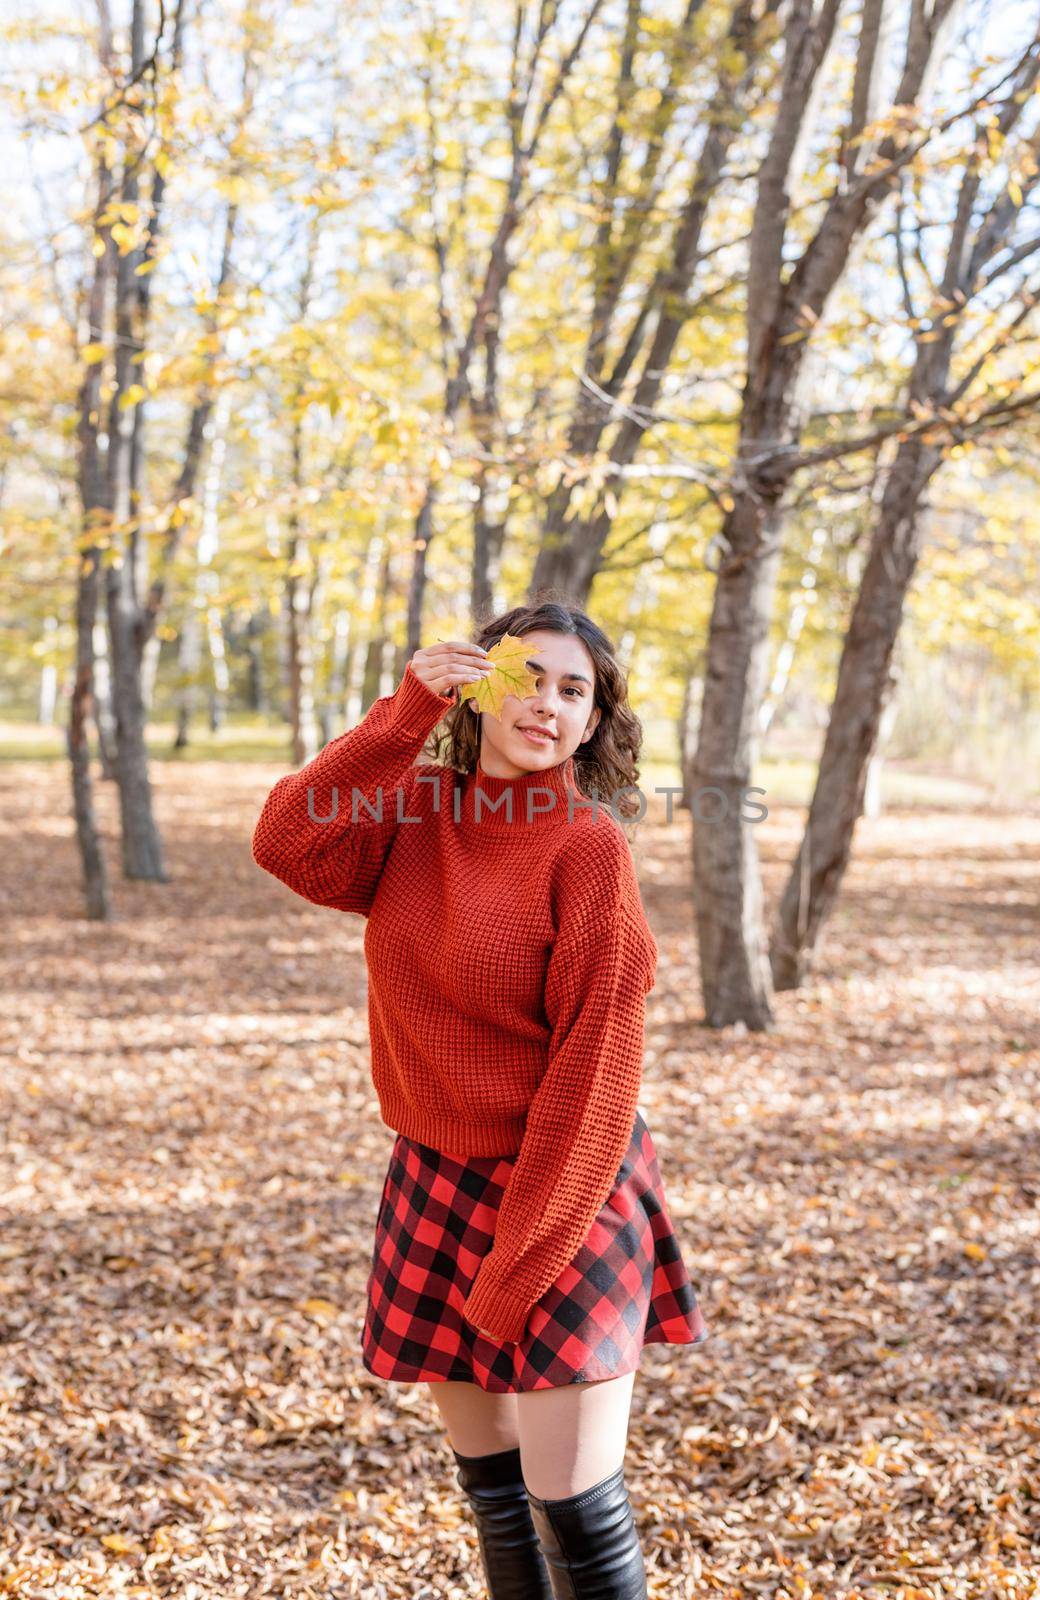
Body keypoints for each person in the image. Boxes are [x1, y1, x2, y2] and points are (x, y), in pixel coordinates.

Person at [250, 599, 709, 1599]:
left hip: (566, 1195)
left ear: (593, 722)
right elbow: (287, 842)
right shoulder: (415, 814)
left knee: (574, 1511)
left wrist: (524, 1254)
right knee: (493, 1494)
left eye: (574, 689)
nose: (547, 701)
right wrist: (403, 713)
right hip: (434, 1181)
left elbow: (595, 1076)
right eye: (527, 676)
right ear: (482, 686)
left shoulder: (588, 850)